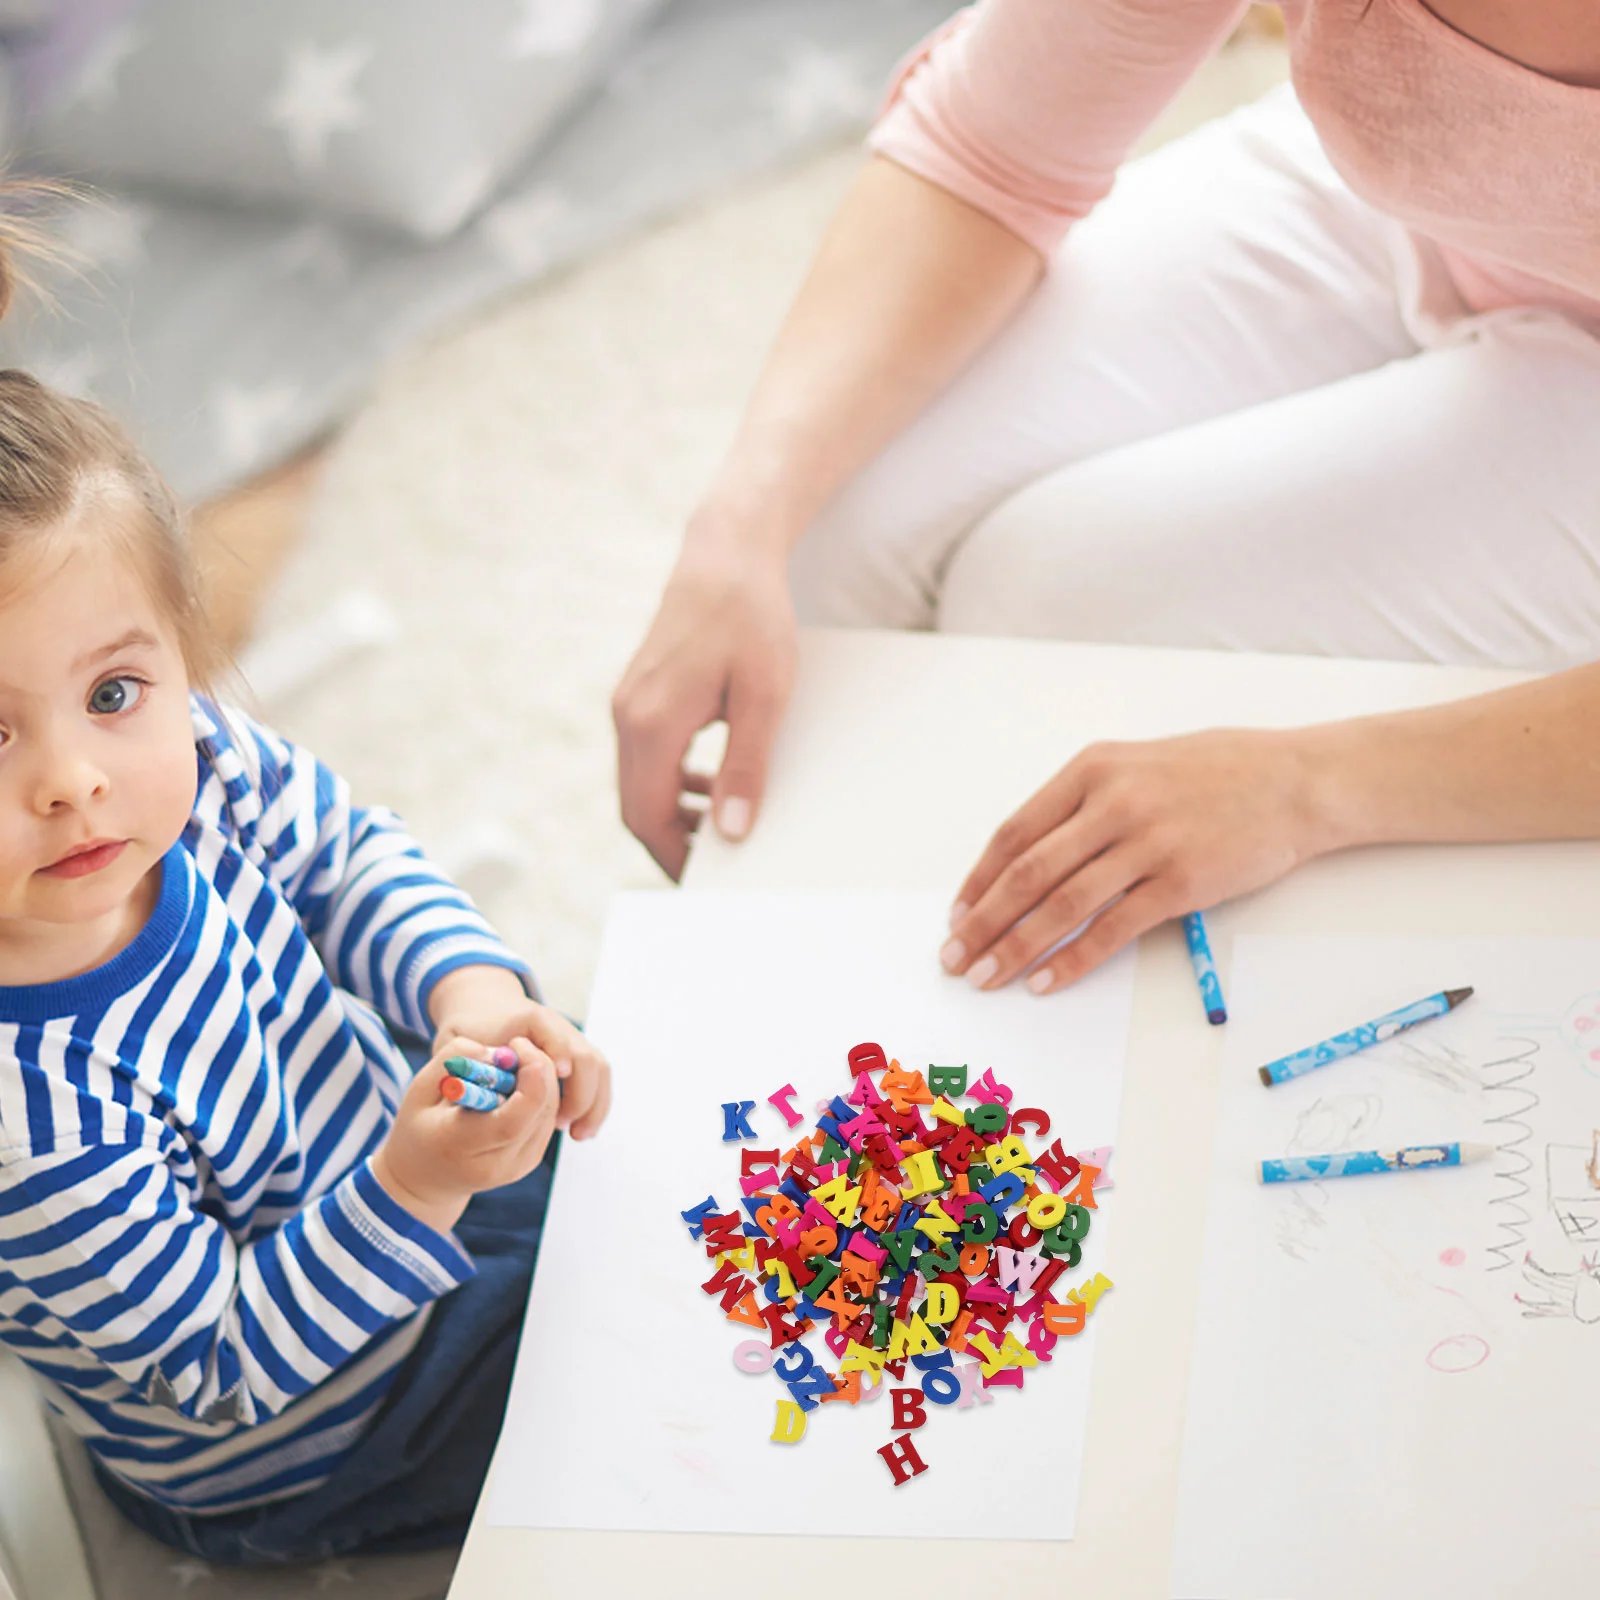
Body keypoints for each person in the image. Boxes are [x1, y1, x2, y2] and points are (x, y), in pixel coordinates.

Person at [613, 0, 1600, 990]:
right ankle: (765, 987)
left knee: (1051, 610)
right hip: (1420, 185)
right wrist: (738, 525)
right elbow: (987, 145)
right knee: (830, 529)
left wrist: (1314, 783)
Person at [0, 237, 611, 1563]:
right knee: (650, 1404)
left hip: (395, 1175)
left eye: (114, 691)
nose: (74, 784)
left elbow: (347, 857)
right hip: (327, 1425)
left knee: (673, 1159)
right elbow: (221, 1363)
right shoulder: (27, 1130)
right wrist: (415, 1183)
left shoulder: (198, 757)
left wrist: (475, 999)